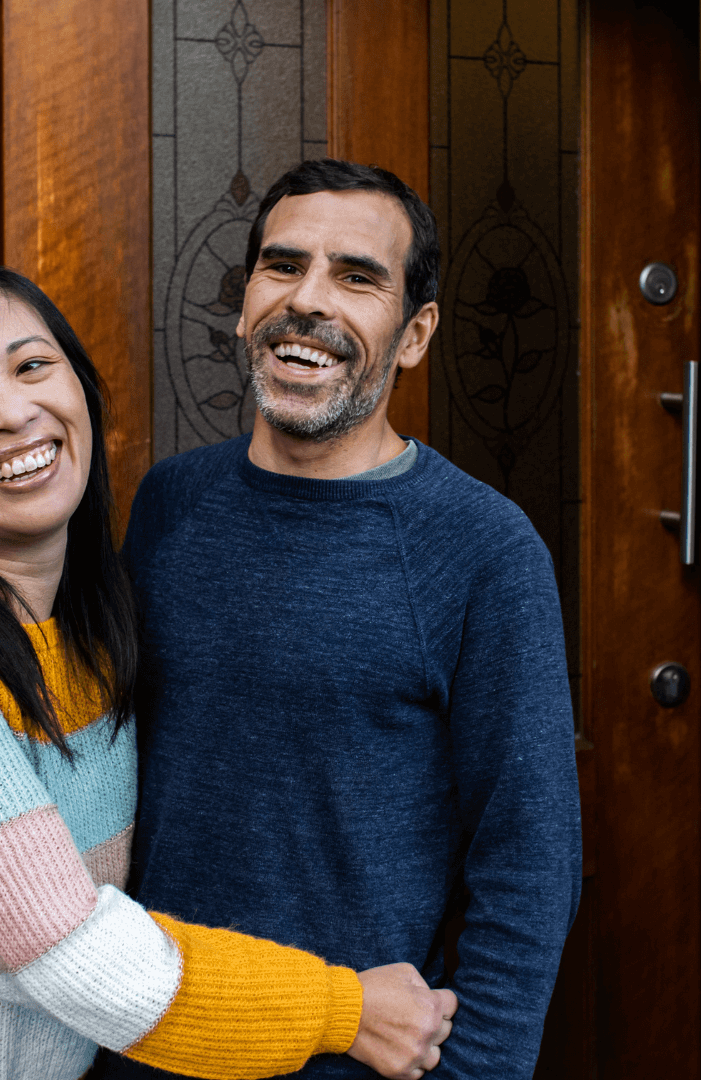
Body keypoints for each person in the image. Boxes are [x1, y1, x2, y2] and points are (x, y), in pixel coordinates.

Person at [0, 257, 456, 1080]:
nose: (13, 411)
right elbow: (66, 955)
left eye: (32, 366)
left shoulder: (94, 623)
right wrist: (344, 1009)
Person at [103, 161, 582, 1080]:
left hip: (354, 1059)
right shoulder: (169, 505)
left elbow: (529, 861)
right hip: (152, 1042)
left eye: (357, 278)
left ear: (414, 334)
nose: (308, 302)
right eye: (281, 267)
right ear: (245, 305)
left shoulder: (482, 548)